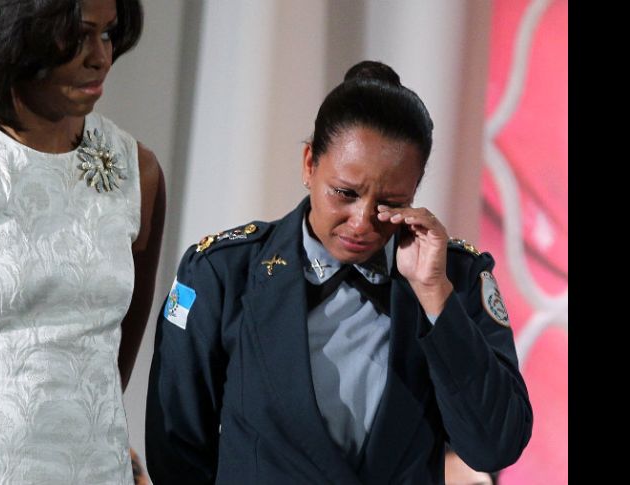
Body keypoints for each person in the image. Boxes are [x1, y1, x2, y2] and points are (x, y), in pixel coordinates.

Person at [145, 61, 532, 484]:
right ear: (309, 163)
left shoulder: (454, 277)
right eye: (345, 194)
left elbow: (496, 444)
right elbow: (176, 453)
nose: (363, 222)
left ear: (416, 188)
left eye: (390, 201)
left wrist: (435, 295)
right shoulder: (222, 272)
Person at [0, 0, 165, 483]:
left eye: (109, 34)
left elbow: (116, 359)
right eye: (77, 34)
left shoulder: (138, 170)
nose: (99, 57)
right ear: (10, 31)